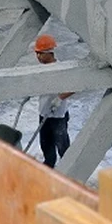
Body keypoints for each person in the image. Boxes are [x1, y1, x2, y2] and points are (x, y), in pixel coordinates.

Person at [35, 34, 73, 168]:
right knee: (45, 144)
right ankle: (49, 166)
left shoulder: (61, 69)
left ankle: (69, 169)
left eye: (40, 54)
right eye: (36, 53)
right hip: (44, 112)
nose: (38, 57)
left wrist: (59, 98)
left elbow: (75, 86)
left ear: (49, 53)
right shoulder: (39, 69)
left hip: (58, 115)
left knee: (62, 144)